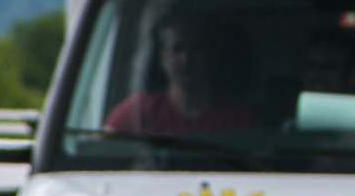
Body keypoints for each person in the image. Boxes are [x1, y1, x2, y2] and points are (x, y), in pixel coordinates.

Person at [106, 15, 261, 135]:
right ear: (163, 58)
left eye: (197, 48)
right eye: (178, 49)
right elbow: (102, 150)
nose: (186, 58)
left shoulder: (240, 119)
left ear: (213, 56)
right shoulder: (138, 112)